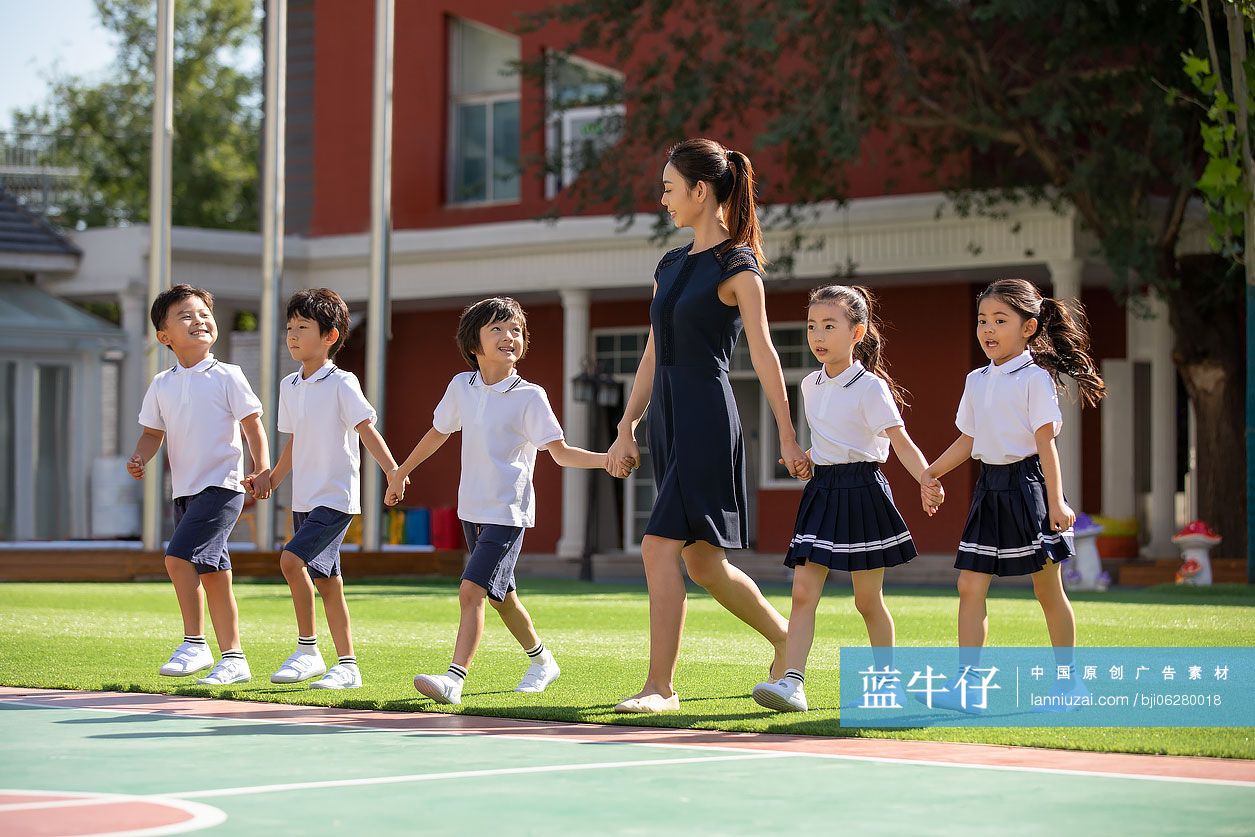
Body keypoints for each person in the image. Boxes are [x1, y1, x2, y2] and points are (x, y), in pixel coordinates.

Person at [605, 138, 807, 714]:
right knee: (704, 563)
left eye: (670, 188)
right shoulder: (668, 265)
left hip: (707, 417)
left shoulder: (739, 267)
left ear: (701, 190)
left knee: (656, 546)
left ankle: (660, 687)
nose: (663, 198)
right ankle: (789, 645)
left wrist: (788, 436)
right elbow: (651, 353)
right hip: (668, 416)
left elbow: (766, 356)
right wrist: (627, 426)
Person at [385, 297, 607, 705]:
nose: (510, 337)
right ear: (475, 344)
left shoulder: (530, 396)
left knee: (471, 590)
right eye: (498, 330)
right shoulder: (460, 387)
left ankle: (454, 678)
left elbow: (557, 451)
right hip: (472, 509)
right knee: (503, 597)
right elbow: (438, 431)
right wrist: (401, 470)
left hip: (508, 512)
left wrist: (606, 460)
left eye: (516, 331)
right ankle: (543, 662)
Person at [751, 285, 943, 712]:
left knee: (866, 600)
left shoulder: (871, 387)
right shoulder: (809, 385)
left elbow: (900, 441)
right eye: (812, 327)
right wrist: (806, 459)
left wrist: (927, 479)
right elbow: (829, 442)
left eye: (829, 326)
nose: (818, 335)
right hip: (822, 491)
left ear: (857, 333)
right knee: (803, 591)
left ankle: (887, 684)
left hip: (864, 492)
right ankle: (793, 684)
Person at [922, 278, 1105, 706]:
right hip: (988, 489)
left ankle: (1068, 681)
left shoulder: (1036, 379)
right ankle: (968, 686)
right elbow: (969, 440)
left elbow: (1046, 445)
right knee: (969, 585)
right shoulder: (975, 380)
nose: (987, 328)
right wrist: (931, 474)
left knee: (1047, 589)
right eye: (983, 320)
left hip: (1029, 488)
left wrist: (1057, 500)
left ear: (1029, 327)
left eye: (1000, 320)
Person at [127, 284, 271, 686]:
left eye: (203, 314)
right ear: (164, 336)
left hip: (223, 487)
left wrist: (262, 467)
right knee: (213, 574)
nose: (199, 321)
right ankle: (234, 659)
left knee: (177, 559)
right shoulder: (162, 383)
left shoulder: (228, 375)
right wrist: (140, 458)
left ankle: (194, 642)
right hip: (185, 492)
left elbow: (252, 424)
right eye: (186, 316)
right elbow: (152, 434)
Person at [262, 288, 406, 690]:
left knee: (291, 561)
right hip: (304, 498)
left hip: (336, 499)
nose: (292, 335)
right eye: (289, 328)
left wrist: (394, 471)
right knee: (329, 582)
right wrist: (273, 478)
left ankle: (307, 650)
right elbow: (295, 441)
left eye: (303, 327)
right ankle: (348, 666)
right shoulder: (289, 385)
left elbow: (366, 430)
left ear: (331, 336)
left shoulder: (343, 382)